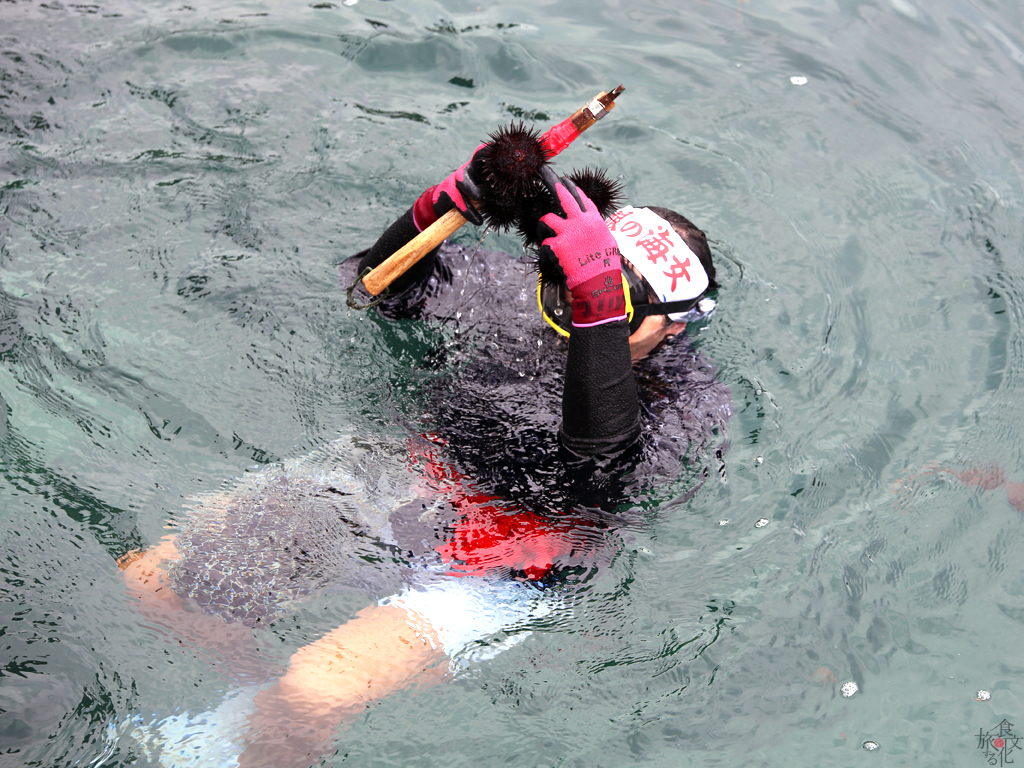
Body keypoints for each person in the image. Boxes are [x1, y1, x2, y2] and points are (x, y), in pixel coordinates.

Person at [117, 147, 731, 767]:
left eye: (607, 305)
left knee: (310, 692)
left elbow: (600, 463)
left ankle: (268, 716)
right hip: (411, 473)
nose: (575, 310)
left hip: (515, 558)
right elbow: (380, 288)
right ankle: (248, 703)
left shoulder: (693, 401)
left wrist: (600, 312)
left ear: (674, 327)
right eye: (570, 286)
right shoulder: (512, 292)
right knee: (149, 583)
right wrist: (440, 207)